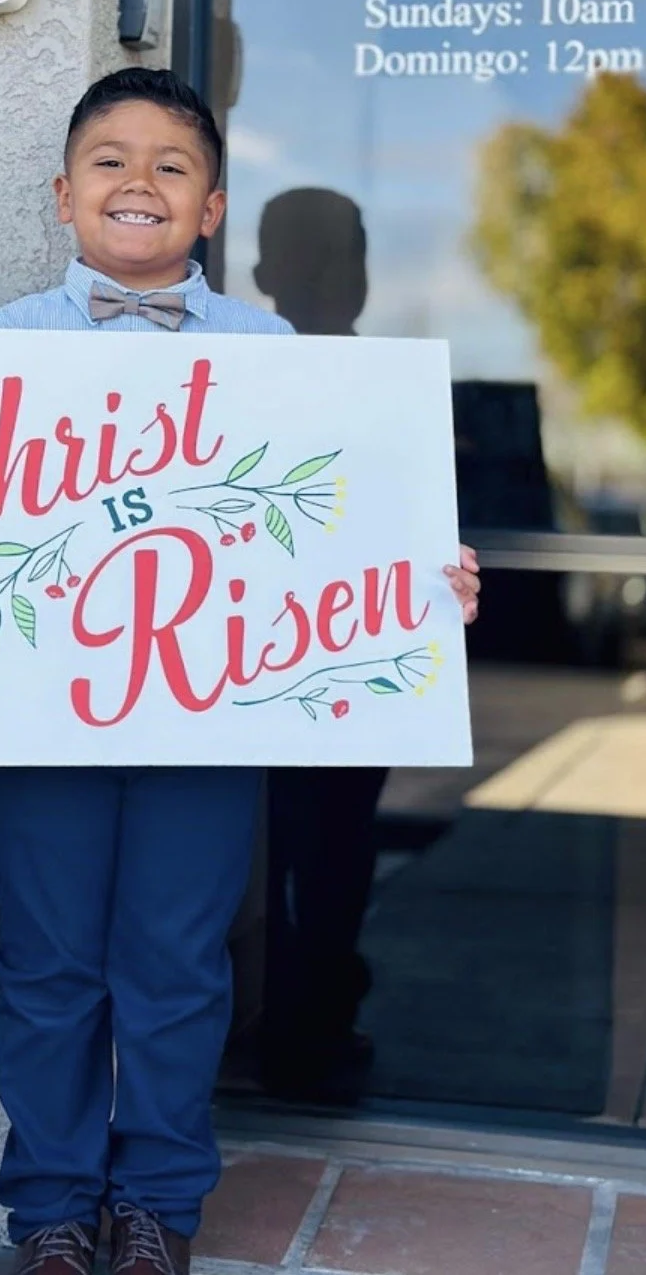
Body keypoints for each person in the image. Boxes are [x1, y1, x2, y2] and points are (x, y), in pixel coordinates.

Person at [0, 70, 481, 1275]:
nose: (139, 183)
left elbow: (336, 520)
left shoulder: (267, 348)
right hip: (38, 717)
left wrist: (423, 588)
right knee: (48, 964)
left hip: (204, 712)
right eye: (110, 161)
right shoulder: (4, 345)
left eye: (172, 165)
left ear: (214, 206)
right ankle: (56, 1208)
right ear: (64, 196)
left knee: (179, 965)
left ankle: (158, 1208)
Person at [253, 188, 388, 1104]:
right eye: (323, 256)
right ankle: (289, 1020)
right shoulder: (237, 381)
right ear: (264, 277)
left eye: (352, 256)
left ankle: (317, 1018)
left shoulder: (392, 396)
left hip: (358, 653)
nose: (341, 277)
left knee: (338, 849)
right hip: (254, 660)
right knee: (277, 848)